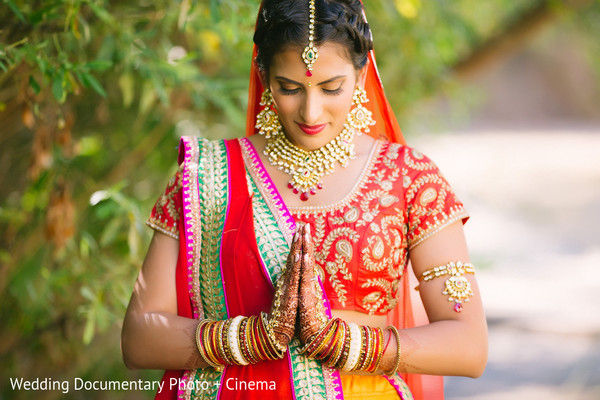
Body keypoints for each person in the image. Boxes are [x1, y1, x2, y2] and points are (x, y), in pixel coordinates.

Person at [121, 0, 488, 399]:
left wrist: (348, 345)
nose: (311, 112)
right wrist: (252, 338)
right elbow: (139, 337)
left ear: (362, 74)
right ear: (263, 75)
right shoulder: (205, 176)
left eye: (332, 87)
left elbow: (468, 346)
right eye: (290, 88)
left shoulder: (409, 179)